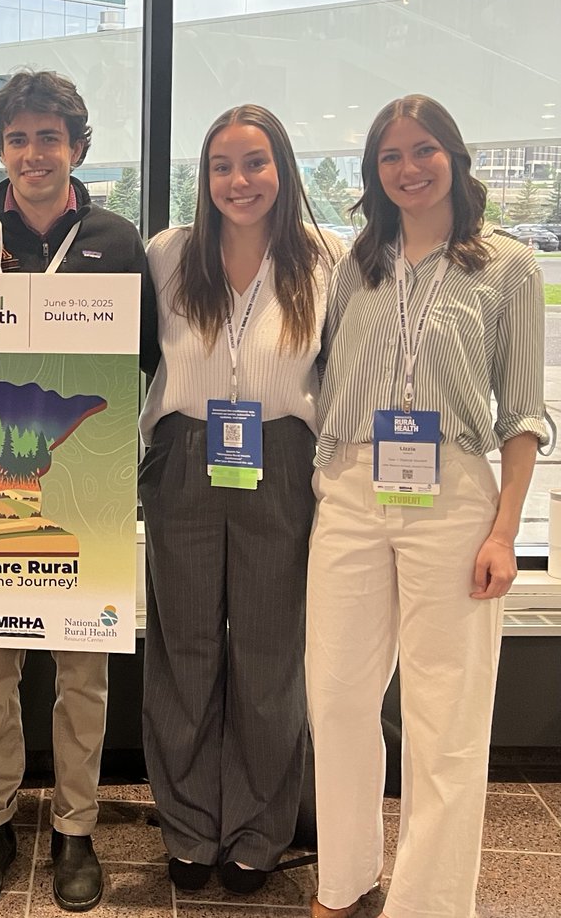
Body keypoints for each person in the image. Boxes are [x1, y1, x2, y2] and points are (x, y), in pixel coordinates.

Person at [306, 95, 545, 918]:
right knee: (336, 696)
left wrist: (505, 530)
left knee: (445, 715)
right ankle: (341, 881)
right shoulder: (353, 264)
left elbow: (522, 414)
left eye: (423, 150)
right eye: (390, 156)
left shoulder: (508, 266)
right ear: (375, 173)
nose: (408, 168)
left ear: (454, 155)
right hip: (350, 490)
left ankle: (431, 904)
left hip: (453, 497)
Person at [0, 69, 159, 913]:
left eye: (50, 138)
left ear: (77, 147)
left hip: (83, 487)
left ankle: (75, 827)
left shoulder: (117, 240)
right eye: (20, 138)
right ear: (1, 149)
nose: (35, 153)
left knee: (82, 676)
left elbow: (140, 364)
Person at [137, 104, 345, 895]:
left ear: (283, 170)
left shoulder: (328, 259)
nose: (239, 181)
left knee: (267, 658)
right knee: (182, 653)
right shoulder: (168, 254)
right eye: (222, 165)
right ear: (205, 177)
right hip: (186, 454)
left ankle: (259, 831)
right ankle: (189, 829)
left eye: (255, 163)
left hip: (282, 458)